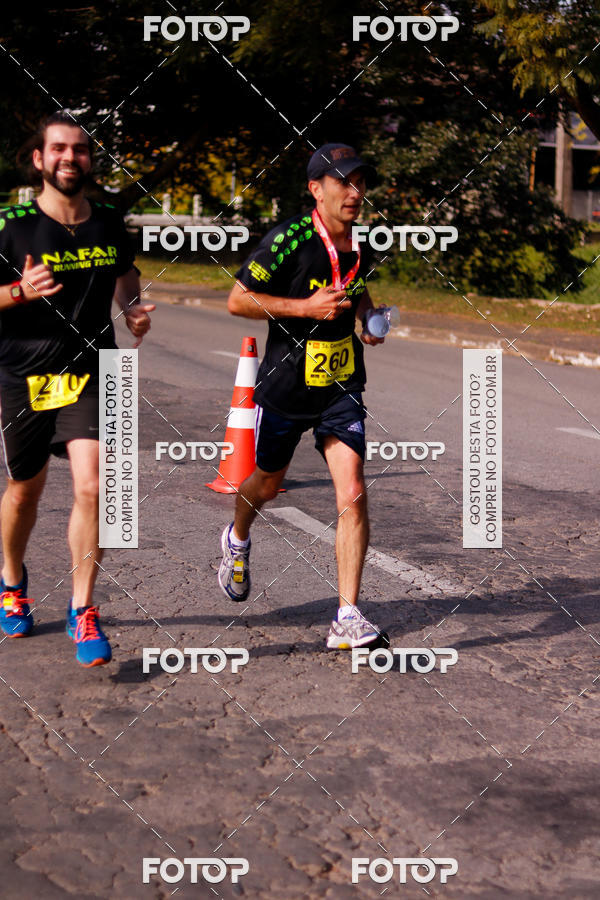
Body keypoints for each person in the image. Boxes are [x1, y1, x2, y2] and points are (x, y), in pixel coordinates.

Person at [0, 111, 154, 666]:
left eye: (81, 149)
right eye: (60, 148)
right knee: (25, 490)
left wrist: (131, 307)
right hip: (27, 372)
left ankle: (82, 609)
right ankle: (11, 581)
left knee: (99, 487)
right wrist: (19, 292)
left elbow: (125, 272)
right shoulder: (11, 225)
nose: (71, 157)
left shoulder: (109, 220)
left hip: (96, 368)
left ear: (90, 159)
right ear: (39, 159)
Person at [219, 142, 387, 649]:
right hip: (288, 382)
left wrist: (368, 318)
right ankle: (237, 539)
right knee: (267, 484)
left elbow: (355, 288)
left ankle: (347, 616)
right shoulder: (288, 239)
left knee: (352, 491)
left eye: (360, 182)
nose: (355, 192)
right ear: (316, 189)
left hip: (340, 383)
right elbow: (237, 301)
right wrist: (304, 308)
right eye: (343, 182)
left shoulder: (360, 243)